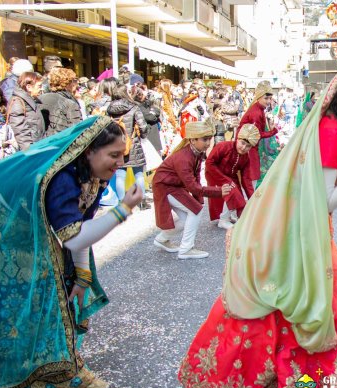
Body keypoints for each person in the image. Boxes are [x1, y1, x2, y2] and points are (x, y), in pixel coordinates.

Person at [178, 52, 337, 388]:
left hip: (298, 231)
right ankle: (302, 386)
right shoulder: (335, 132)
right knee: (314, 314)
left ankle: (290, 383)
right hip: (305, 234)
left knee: (289, 316)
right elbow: (322, 202)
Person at [0, 116, 142, 388]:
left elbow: (79, 228)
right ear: (88, 151)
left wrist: (83, 274)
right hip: (10, 239)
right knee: (27, 304)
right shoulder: (63, 178)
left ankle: (58, 369)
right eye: (113, 155)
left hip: (30, 239)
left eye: (121, 156)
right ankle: (43, 375)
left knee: (56, 295)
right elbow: (75, 239)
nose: (118, 164)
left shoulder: (93, 176)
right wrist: (123, 209)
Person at [152, 120, 231, 259]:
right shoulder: (184, 157)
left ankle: (162, 239)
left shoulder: (195, 152)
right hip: (166, 187)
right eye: (205, 139)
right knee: (195, 211)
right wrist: (218, 192)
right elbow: (193, 186)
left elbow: (195, 178)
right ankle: (186, 249)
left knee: (187, 217)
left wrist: (198, 199)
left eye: (209, 139)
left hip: (170, 186)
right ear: (193, 140)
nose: (208, 143)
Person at [205, 124, 258, 230]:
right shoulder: (224, 146)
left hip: (230, 176)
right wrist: (225, 180)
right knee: (231, 189)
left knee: (239, 194)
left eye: (248, 146)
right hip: (214, 173)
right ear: (237, 138)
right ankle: (223, 220)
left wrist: (252, 198)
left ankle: (229, 216)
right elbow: (209, 163)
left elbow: (246, 179)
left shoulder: (246, 158)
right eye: (242, 143)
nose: (243, 148)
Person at [107, 84, 148, 206]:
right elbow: (143, 125)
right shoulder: (134, 107)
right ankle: (142, 201)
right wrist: (143, 136)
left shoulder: (109, 109)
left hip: (116, 145)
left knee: (120, 175)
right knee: (139, 174)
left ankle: (122, 202)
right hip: (133, 143)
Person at [238, 80, 279, 183]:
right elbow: (256, 135)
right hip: (248, 149)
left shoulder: (258, 109)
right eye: (266, 98)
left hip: (249, 148)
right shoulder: (256, 112)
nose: (269, 101)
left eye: (270, 98)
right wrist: (273, 131)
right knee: (251, 180)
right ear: (259, 96)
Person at [39, 67, 83, 138]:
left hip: (42, 143)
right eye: (74, 80)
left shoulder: (40, 98)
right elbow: (77, 131)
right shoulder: (70, 103)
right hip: (62, 143)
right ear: (67, 83)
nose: (77, 84)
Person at [7, 72, 45, 151]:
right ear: (29, 87)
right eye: (39, 86)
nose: (42, 89)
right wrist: (30, 151)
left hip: (37, 144)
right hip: (30, 149)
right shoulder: (17, 102)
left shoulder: (31, 100)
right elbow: (20, 131)